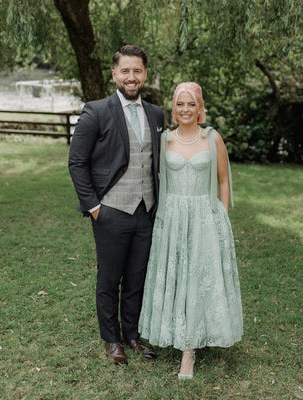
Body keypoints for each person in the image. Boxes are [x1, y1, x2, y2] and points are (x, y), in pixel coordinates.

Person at [138, 82, 243, 379]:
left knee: (199, 278)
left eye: (191, 104)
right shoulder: (165, 140)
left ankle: (189, 353)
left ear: (200, 108)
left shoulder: (213, 139)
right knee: (176, 276)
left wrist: (220, 213)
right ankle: (176, 331)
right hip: (172, 217)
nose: (186, 109)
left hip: (203, 216)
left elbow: (224, 180)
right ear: (174, 108)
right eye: (180, 104)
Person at [68, 45, 164, 366]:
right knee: (109, 279)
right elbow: (77, 162)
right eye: (125, 71)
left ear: (145, 74)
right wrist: (94, 207)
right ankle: (111, 340)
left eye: (137, 71)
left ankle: (131, 334)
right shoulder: (96, 111)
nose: (131, 77)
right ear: (115, 74)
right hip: (110, 211)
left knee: (137, 277)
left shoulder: (156, 114)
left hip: (146, 212)